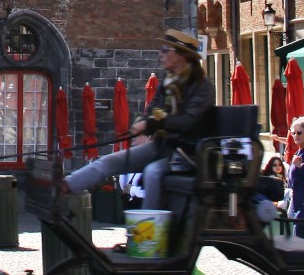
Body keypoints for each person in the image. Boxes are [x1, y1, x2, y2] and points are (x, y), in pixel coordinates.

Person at [63, 30, 215, 210]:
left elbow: (187, 122)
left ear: (182, 56)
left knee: (152, 173)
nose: (160, 54)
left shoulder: (202, 87)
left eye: (166, 50)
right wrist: (142, 122)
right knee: (108, 161)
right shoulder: (168, 83)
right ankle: (65, 186)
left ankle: (151, 231)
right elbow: (152, 110)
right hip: (163, 146)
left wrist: (150, 124)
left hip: (186, 154)